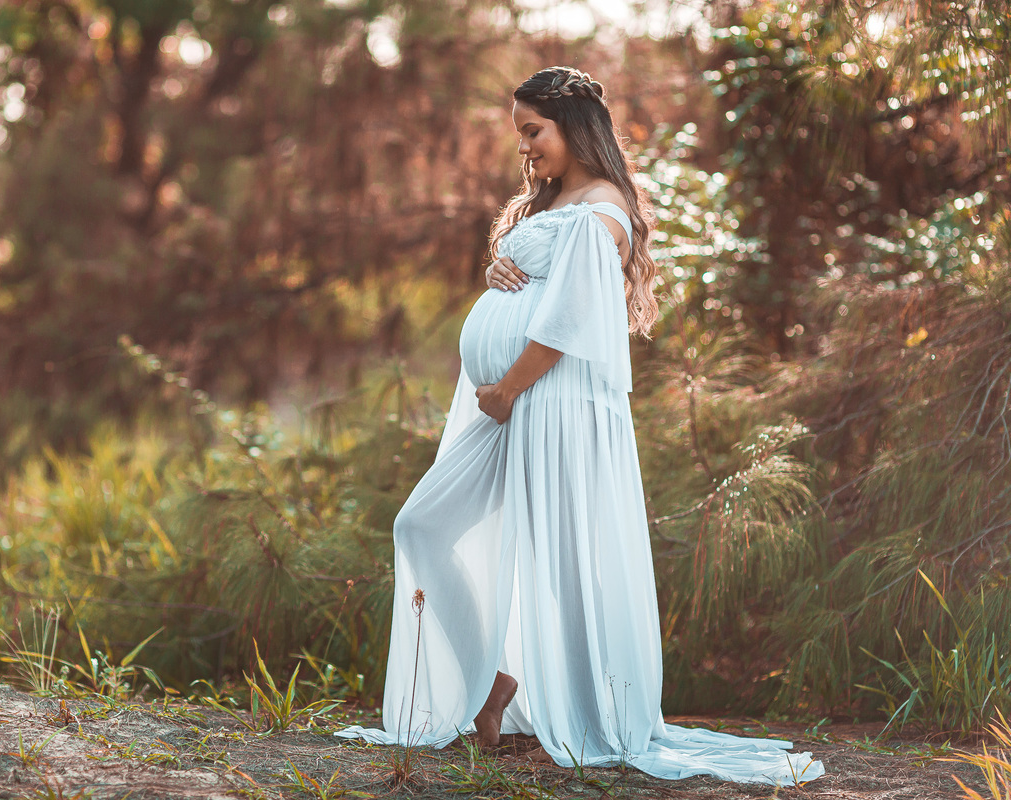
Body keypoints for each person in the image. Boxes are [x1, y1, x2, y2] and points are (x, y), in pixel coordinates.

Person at [335, 66, 824, 786]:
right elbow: (540, 292)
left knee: (558, 559)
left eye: (534, 131)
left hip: (548, 404)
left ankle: (543, 697)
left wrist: (505, 387)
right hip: (516, 405)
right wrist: (501, 272)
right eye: (520, 134)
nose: (525, 148)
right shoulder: (558, 204)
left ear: (576, 127)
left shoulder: (600, 211)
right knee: (423, 526)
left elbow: (571, 324)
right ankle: (493, 679)